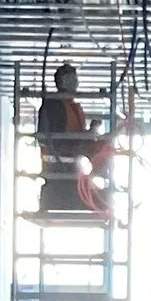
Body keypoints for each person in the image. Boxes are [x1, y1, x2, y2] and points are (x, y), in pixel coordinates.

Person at [34, 61, 108, 213]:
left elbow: (75, 139)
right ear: (62, 82)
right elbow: (56, 142)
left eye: (76, 79)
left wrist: (90, 134)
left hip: (72, 168)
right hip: (59, 171)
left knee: (105, 148)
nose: (76, 83)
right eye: (71, 79)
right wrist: (87, 137)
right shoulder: (53, 105)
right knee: (97, 201)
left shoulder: (72, 107)